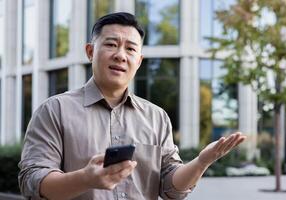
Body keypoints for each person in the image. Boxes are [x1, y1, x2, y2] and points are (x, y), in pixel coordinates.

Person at [18, 12, 246, 200]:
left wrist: (200, 162)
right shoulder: (54, 110)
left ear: (139, 61)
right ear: (90, 51)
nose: (120, 55)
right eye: (111, 44)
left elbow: (170, 187)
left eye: (130, 49)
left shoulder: (156, 116)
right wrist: (86, 179)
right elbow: (33, 182)